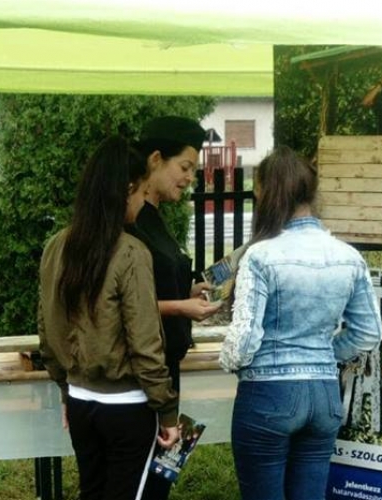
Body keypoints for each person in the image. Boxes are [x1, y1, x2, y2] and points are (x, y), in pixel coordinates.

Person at [219, 146, 382, 500]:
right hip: (324, 396)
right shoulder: (349, 256)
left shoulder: (260, 255)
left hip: (268, 395)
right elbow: (369, 333)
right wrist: (324, 354)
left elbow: (243, 343)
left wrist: (228, 361)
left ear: (267, 192)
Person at [38, 135, 179, 500]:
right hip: (127, 409)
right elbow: (146, 345)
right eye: (142, 192)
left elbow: (46, 331)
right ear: (128, 189)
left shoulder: (56, 247)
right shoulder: (132, 253)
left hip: (80, 403)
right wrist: (168, 413)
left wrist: (66, 389)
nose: (142, 202)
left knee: (92, 491)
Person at [130, 116, 222, 500]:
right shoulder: (132, 221)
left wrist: (188, 290)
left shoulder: (155, 217)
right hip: (144, 373)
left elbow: (150, 284)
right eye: (184, 167)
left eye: (193, 171)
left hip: (167, 365)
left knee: (159, 477)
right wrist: (181, 307)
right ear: (155, 159)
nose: (189, 178)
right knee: (142, 480)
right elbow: (123, 303)